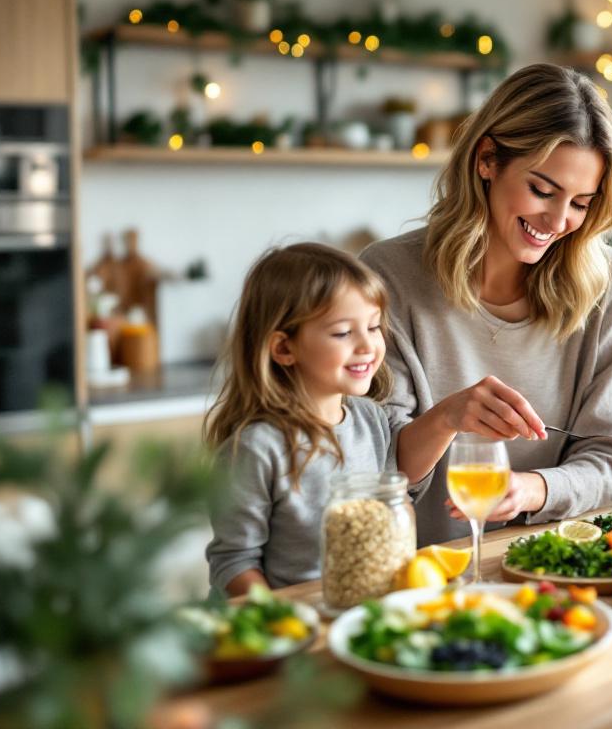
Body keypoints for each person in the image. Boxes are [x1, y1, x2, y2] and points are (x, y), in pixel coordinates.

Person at [360, 63, 612, 545]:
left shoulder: (606, 282)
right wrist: (448, 417)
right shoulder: (388, 277)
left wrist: (534, 489)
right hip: (427, 578)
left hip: (558, 571)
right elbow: (377, 470)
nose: (558, 221)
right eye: (542, 189)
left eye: (581, 203)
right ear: (487, 160)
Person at [203, 243, 481, 595]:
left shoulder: (369, 418)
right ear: (284, 349)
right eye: (342, 333)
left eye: (374, 326)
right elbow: (235, 562)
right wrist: (281, 621)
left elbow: (401, 488)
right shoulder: (258, 448)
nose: (368, 346)